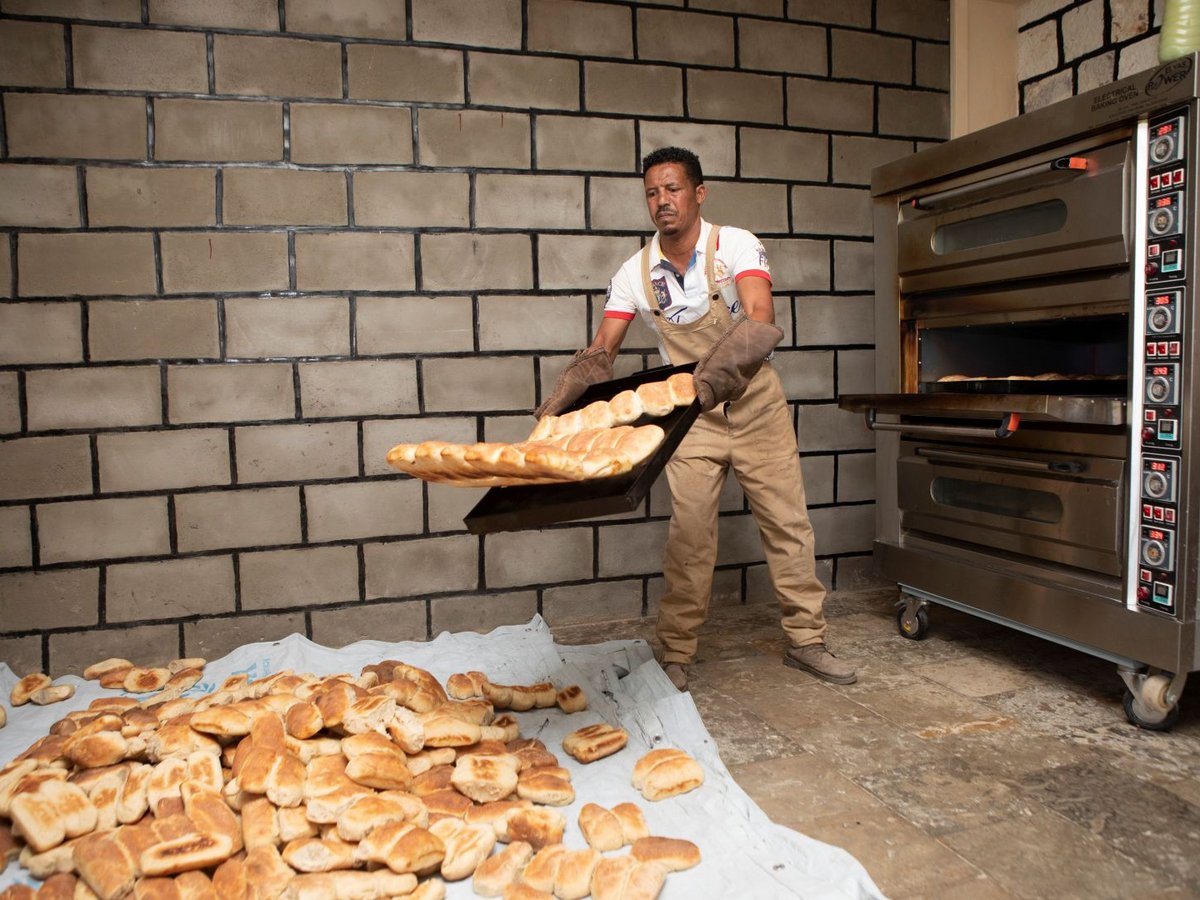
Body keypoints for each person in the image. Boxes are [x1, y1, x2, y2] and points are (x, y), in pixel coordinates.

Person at [536, 146, 855, 692]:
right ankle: (677, 653)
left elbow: (760, 317)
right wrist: (562, 404)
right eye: (653, 193)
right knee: (689, 536)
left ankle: (807, 640)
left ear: (698, 193)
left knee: (787, 524)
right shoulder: (634, 274)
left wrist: (717, 379)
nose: (663, 201)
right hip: (694, 419)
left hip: (756, 406)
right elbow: (602, 351)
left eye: (673, 189)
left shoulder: (734, 245)